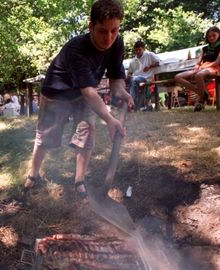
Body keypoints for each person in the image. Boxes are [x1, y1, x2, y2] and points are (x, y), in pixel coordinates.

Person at [24, 0, 134, 202]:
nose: (109, 38)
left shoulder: (117, 43)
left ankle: (79, 181)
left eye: (114, 30)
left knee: (87, 132)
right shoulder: (77, 49)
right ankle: (33, 175)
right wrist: (110, 120)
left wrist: (122, 93)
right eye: (102, 31)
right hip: (56, 92)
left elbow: (116, 79)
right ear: (91, 26)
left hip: (85, 92)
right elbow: (90, 92)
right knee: (46, 137)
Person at [175, 26, 220, 112]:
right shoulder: (204, 49)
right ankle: (203, 94)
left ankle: (201, 99)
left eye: (213, 35)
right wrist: (197, 68)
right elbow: (197, 63)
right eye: (209, 36)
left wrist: (200, 69)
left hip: (214, 68)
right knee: (178, 77)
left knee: (199, 75)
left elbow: (217, 62)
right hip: (202, 68)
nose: (211, 38)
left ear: (219, 34)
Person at [127, 40, 160, 111]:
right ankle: (134, 105)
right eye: (136, 50)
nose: (138, 51)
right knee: (126, 81)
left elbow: (158, 62)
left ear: (144, 49)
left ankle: (131, 104)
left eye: (140, 49)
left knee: (134, 80)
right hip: (135, 79)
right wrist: (129, 76)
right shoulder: (133, 60)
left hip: (146, 78)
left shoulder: (149, 54)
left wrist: (149, 66)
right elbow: (129, 72)